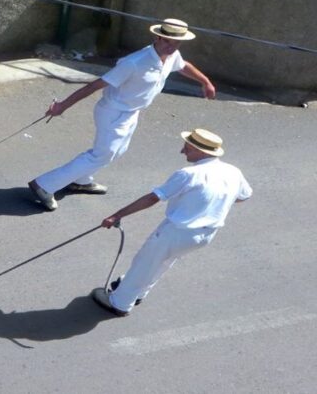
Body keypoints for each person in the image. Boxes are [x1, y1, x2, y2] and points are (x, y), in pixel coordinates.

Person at [28, 19, 216, 211]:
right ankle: (43, 185)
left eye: (177, 43)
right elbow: (95, 85)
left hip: (131, 112)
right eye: (168, 41)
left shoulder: (171, 54)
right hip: (113, 112)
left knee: (117, 151)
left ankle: (81, 180)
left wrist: (205, 81)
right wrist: (62, 106)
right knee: (102, 154)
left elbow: (183, 65)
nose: (172, 46)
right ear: (158, 37)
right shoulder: (133, 63)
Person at [91, 128, 252, 316]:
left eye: (187, 148)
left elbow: (153, 198)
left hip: (176, 231)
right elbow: (243, 196)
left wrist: (117, 215)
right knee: (164, 262)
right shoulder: (233, 171)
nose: (182, 151)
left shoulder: (189, 174)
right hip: (205, 235)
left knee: (144, 263)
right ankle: (139, 293)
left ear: (202, 151)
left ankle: (119, 303)